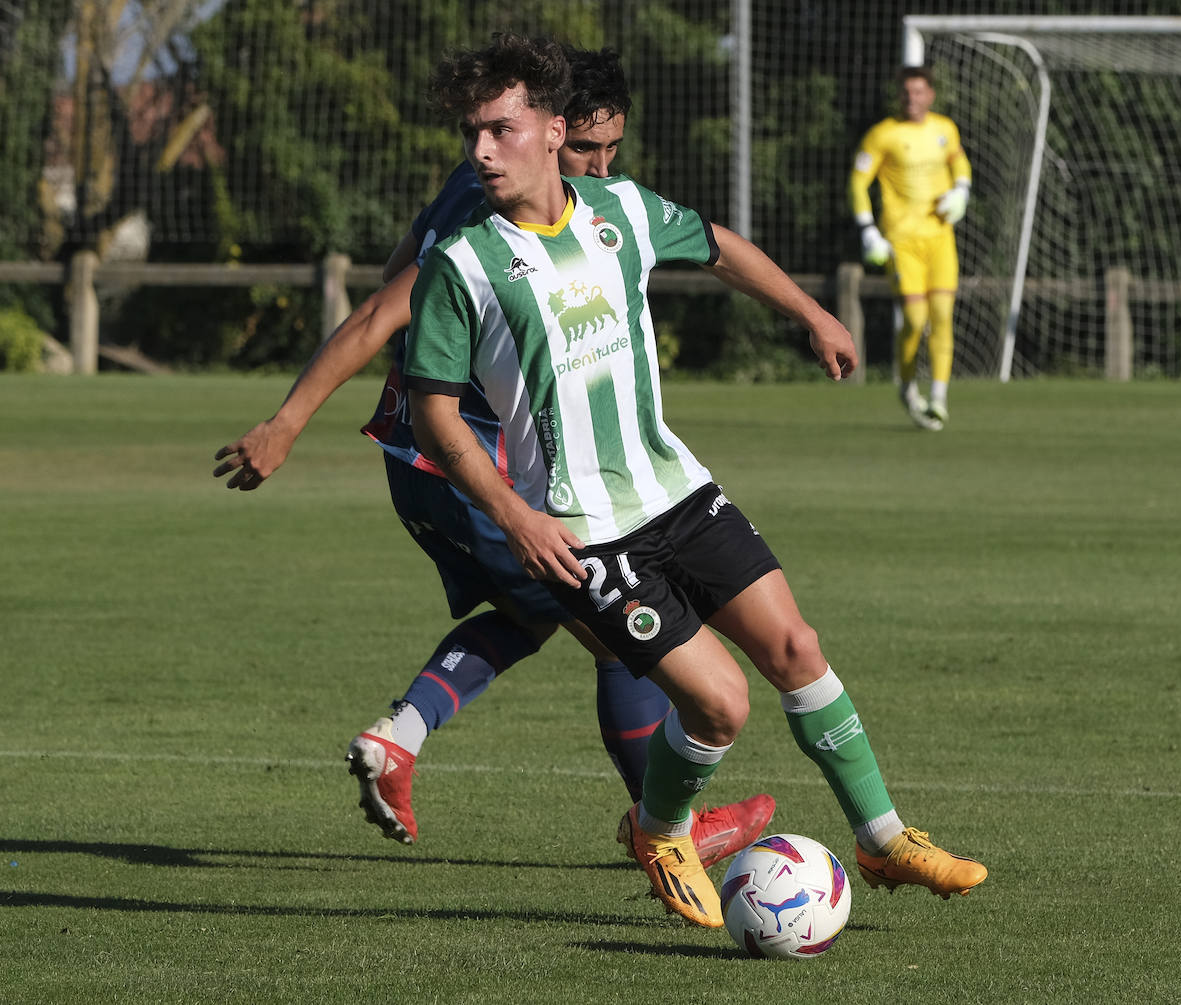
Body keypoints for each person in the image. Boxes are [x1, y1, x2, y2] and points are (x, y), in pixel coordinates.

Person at [403, 33, 988, 929]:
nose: (480, 151)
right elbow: (435, 416)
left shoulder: (624, 210)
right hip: (585, 530)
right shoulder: (462, 263)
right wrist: (515, 516)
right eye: (472, 133)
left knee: (796, 648)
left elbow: (717, 246)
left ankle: (882, 838)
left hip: (676, 487)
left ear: (553, 130)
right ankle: (662, 828)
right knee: (720, 706)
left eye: (500, 130)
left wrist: (812, 313)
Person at [211, 45, 773, 865]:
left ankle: (400, 738)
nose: (602, 168)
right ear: (550, 131)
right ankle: (669, 833)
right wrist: (286, 422)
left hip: (419, 454)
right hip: (463, 458)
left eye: (613, 150)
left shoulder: (474, 184)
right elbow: (381, 311)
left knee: (539, 611)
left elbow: (394, 272)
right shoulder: (487, 225)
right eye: (588, 149)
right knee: (617, 629)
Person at [850, 65, 972, 431]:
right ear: (898, 96)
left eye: (919, 92)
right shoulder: (882, 134)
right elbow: (858, 182)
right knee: (916, 321)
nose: (912, 99)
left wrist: (962, 190)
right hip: (902, 242)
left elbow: (959, 161)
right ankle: (906, 386)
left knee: (942, 315)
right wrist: (868, 230)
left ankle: (938, 397)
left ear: (930, 95)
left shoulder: (945, 129)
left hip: (940, 238)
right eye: (906, 92)